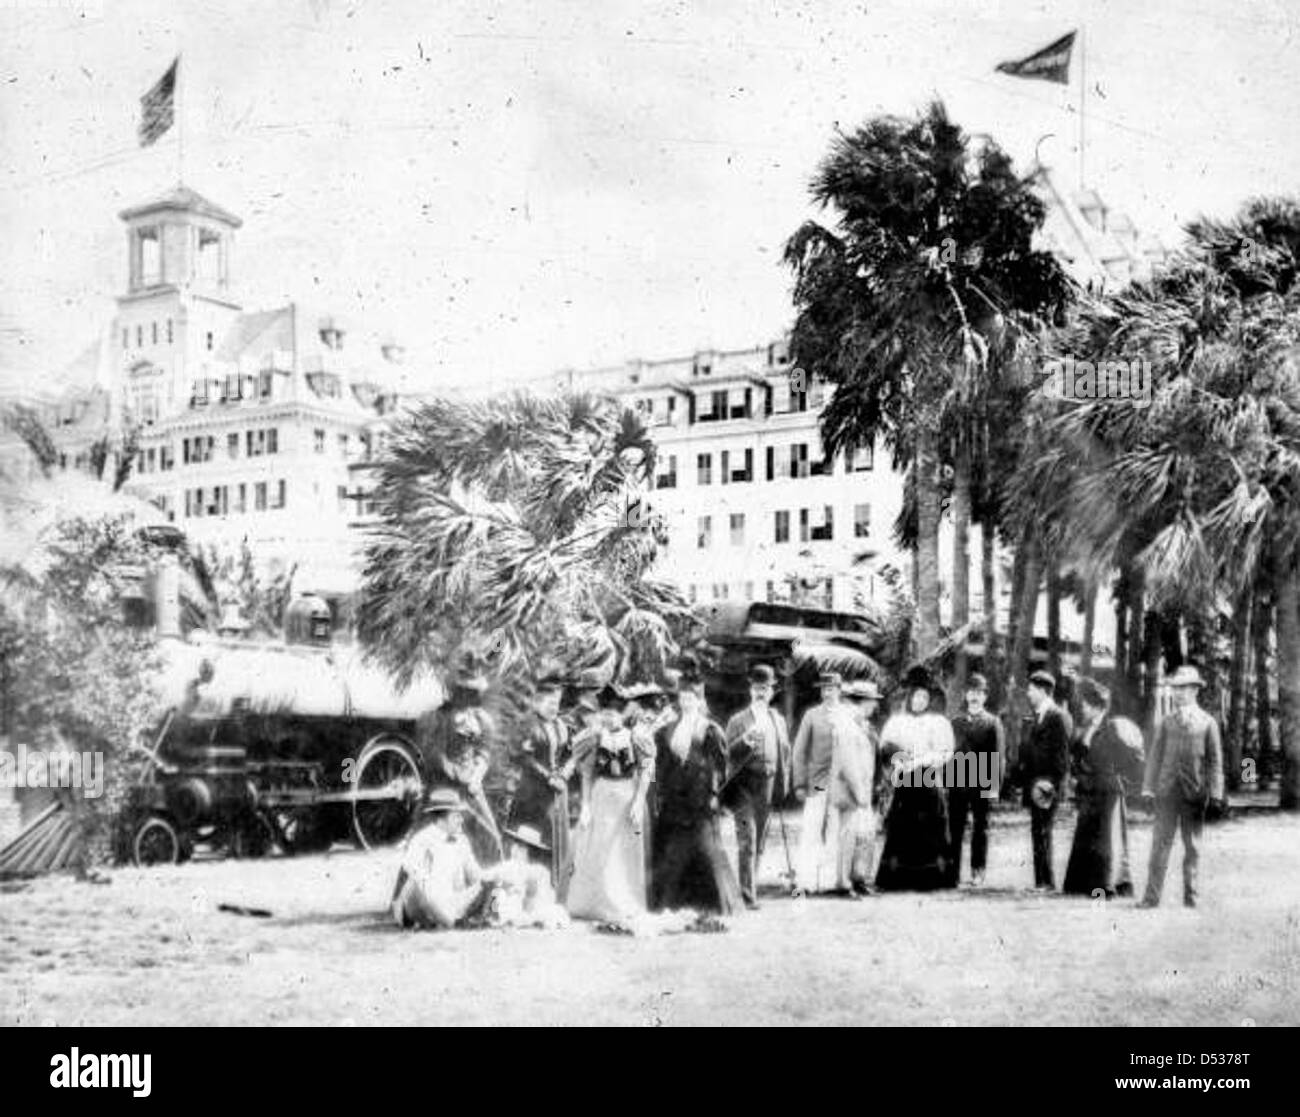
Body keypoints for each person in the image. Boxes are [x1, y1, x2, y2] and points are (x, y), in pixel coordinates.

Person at [652, 667, 742, 914]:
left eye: (691, 698)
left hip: (700, 798)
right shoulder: (667, 729)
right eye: (682, 698)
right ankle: (673, 901)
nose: (686, 702)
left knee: (705, 850)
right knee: (674, 852)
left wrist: (713, 794)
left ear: (700, 700)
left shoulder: (709, 729)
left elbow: (720, 767)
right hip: (674, 798)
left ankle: (714, 902)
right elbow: (662, 763)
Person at [565, 682, 657, 923]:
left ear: (622, 714)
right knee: (600, 847)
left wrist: (638, 801)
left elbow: (645, 770)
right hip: (602, 794)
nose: (608, 719)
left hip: (627, 794)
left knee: (624, 850)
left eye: (613, 714)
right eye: (605, 714)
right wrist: (585, 805)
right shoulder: (595, 738)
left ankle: (625, 901)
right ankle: (598, 903)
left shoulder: (636, 737)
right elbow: (587, 773)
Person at [1139, 666, 1225, 909]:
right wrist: (1147, 789)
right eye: (1175, 689)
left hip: (1194, 794)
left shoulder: (1208, 723)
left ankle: (1191, 898)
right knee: (1159, 846)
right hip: (1166, 793)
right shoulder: (1166, 722)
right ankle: (1151, 898)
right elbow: (1154, 758)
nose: (1177, 694)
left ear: (1195, 690)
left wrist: (1216, 794)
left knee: (1193, 847)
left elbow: (1215, 762)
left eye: (1183, 689)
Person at [875, 666, 956, 891]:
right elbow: (885, 747)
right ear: (909, 697)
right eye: (916, 696)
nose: (919, 701)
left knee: (930, 828)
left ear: (929, 700)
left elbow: (945, 752)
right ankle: (898, 878)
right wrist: (898, 760)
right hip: (905, 780)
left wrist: (920, 762)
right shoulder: (897, 721)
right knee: (902, 827)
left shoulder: (939, 722)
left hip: (928, 779)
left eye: (924, 697)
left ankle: (932, 879)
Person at [1062, 677, 1145, 898]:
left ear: (1098, 706)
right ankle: (1082, 883)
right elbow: (1078, 756)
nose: (1083, 708)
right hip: (1089, 790)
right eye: (1083, 704)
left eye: (1087, 705)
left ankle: (1105, 884)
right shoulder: (1086, 728)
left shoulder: (1113, 728)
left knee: (1107, 840)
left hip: (1108, 791)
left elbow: (1135, 759)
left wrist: (1124, 782)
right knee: (1087, 837)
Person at [417, 660, 503, 866]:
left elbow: (484, 752)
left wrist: (476, 777)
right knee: (431, 836)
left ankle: (481, 891)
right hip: (443, 784)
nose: (467, 696)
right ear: (454, 691)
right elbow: (433, 752)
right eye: (463, 691)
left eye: (472, 692)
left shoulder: (481, 719)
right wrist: (453, 773)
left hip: (471, 785)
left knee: (490, 836)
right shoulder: (438, 717)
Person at [722, 663, 792, 909]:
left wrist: (784, 786)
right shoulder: (737, 721)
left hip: (768, 784)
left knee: (759, 842)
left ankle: (750, 887)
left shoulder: (778, 720)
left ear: (772, 692)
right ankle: (746, 895)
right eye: (756, 688)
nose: (761, 692)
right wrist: (745, 740)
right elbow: (726, 754)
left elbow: (785, 753)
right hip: (743, 786)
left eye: (765, 688)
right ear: (750, 690)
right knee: (747, 840)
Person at [792, 672, 865, 897]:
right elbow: (799, 751)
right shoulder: (812, 715)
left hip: (841, 784)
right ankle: (805, 882)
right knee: (812, 829)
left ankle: (830, 881)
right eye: (824, 689)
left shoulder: (849, 715)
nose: (827, 693)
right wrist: (800, 783)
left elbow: (858, 750)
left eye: (831, 688)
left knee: (836, 831)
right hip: (818, 782)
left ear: (839, 690)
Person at [390, 789, 494, 929]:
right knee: (422, 885)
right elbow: (412, 873)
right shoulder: (423, 839)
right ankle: (448, 920)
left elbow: (475, 873)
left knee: (488, 883)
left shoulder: (462, 841)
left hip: (453, 902)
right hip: (423, 903)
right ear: (441, 819)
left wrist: (491, 878)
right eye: (456, 816)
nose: (461, 820)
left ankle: (453, 918)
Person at [506, 672, 572, 894]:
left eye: (558, 703)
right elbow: (521, 756)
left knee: (554, 838)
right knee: (531, 839)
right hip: (532, 792)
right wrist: (548, 777)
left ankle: (551, 890)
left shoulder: (561, 726)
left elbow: (569, 755)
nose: (554, 708)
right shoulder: (527, 724)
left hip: (555, 793)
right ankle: (524, 891)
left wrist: (563, 775)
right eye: (550, 702)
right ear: (537, 701)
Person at [948, 673, 1004, 887]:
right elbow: (949, 754)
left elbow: (997, 758)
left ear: (985, 697)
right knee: (955, 827)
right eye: (971, 692)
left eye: (979, 693)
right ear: (965, 694)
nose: (974, 697)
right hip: (958, 782)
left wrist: (993, 789)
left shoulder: (992, 722)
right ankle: (952, 872)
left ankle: (977, 871)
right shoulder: (955, 722)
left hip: (981, 783)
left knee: (981, 828)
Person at [1019, 670, 1071, 891]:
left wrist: (1052, 783)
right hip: (1035, 783)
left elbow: (1061, 757)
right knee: (1038, 830)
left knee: (1043, 831)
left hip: (1046, 785)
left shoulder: (1056, 716)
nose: (1028, 694)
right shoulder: (1038, 715)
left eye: (1031, 690)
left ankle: (1046, 882)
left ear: (1042, 690)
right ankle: (1041, 881)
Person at [841, 678, 883, 895]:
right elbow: (848, 763)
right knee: (850, 836)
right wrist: (858, 791)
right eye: (870, 701)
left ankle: (861, 878)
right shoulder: (848, 725)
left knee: (866, 835)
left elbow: (873, 759)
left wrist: (873, 787)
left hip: (866, 787)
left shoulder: (867, 726)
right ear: (861, 702)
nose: (874, 706)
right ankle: (846, 881)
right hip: (851, 789)